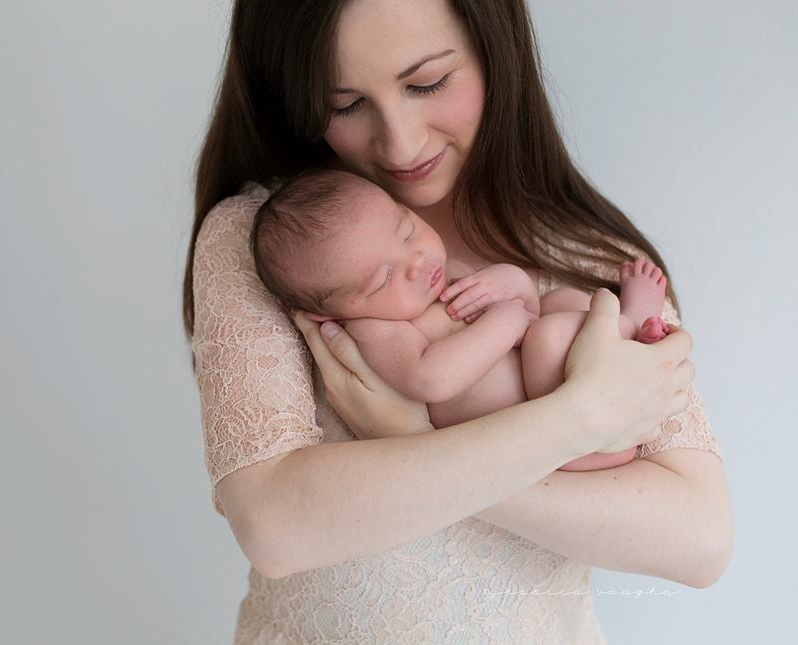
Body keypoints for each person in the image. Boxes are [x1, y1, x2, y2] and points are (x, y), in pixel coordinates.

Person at [183, 1, 732, 642]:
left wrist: (414, 442)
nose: (401, 142)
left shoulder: (583, 257)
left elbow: (701, 541)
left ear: (493, 52)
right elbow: (274, 528)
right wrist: (579, 417)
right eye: (345, 104)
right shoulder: (271, 246)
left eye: (427, 84)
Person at [251, 168, 673, 472]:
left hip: (570, 391)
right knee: (548, 334)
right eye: (384, 278)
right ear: (333, 312)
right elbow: (429, 379)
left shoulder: (437, 277)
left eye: (407, 230)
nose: (416, 261)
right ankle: (634, 323)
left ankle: (627, 338)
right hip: (560, 437)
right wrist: (504, 321)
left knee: (561, 300)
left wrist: (508, 283)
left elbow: (528, 305)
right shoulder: (378, 329)